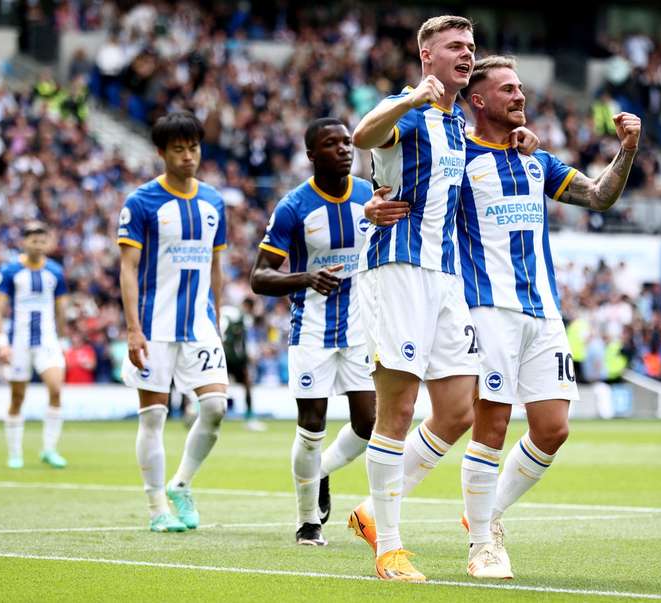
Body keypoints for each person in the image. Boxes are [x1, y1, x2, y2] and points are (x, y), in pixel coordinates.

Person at [370, 55, 640, 578]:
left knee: (553, 428)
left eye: (521, 88)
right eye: (509, 89)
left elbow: (600, 196)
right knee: (486, 424)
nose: (520, 96)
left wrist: (626, 152)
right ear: (479, 100)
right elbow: (405, 184)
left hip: (543, 309)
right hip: (485, 306)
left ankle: (474, 514)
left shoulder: (536, 158)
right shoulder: (457, 152)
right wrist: (369, 206)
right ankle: (483, 543)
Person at [348, 15, 538, 582]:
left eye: (470, 46)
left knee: (458, 410)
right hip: (398, 271)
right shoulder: (406, 110)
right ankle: (390, 547)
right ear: (425, 54)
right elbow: (363, 137)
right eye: (454, 46)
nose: (464, 53)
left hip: (447, 280)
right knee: (398, 411)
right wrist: (408, 100)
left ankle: (370, 515)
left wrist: (517, 139)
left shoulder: (457, 125)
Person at [250, 118, 376, 546]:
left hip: (361, 330)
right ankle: (308, 521)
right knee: (312, 425)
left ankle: (319, 471)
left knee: (369, 423)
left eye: (347, 141)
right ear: (311, 155)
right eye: (331, 144)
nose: (344, 149)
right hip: (312, 333)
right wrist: (306, 277)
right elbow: (259, 277)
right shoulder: (293, 207)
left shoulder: (368, 195)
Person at [117, 111, 229, 533]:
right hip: (154, 327)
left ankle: (181, 483)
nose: (188, 157)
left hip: (199, 325)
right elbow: (128, 268)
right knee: (153, 418)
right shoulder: (142, 202)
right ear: (161, 153)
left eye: (194, 148)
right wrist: (132, 327)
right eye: (178, 150)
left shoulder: (214, 201)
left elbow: (216, 267)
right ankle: (156, 506)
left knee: (215, 407)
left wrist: (216, 319)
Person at [0, 220, 69, 469]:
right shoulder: (11, 271)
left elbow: (61, 308)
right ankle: (15, 453)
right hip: (19, 342)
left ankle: (49, 449)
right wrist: (2, 342)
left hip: (47, 341)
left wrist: (62, 338)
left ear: (48, 242)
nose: (37, 242)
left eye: (42, 238)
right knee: (17, 397)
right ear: (24, 242)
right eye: (32, 238)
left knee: (56, 389)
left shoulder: (55, 272)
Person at [221, 298, 266, 432]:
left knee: (219, 386)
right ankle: (250, 418)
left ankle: (200, 413)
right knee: (247, 384)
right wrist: (246, 357)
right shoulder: (244, 317)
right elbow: (241, 340)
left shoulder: (227, 310)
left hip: (220, 355)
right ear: (248, 306)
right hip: (234, 357)